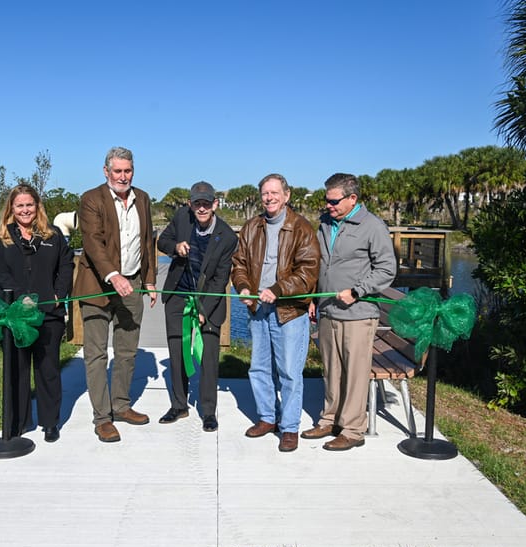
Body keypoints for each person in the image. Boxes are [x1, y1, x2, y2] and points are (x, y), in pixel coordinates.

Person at [303, 173, 396, 451]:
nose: (328, 205)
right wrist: (311, 298)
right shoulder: (325, 223)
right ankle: (330, 419)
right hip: (328, 311)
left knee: (355, 373)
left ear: (352, 198)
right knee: (331, 371)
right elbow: (320, 264)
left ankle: (353, 429)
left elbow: (387, 269)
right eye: (326, 200)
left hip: (358, 313)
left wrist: (357, 291)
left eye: (334, 201)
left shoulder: (372, 226)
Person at [74, 146, 158, 443]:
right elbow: (93, 243)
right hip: (97, 286)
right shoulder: (91, 199)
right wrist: (114, 275)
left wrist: (148, 279)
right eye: (118, 171)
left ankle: (121, 405)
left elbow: (148, 241)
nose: (123, 176)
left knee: (127, 350)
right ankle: (102, 418)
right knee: (96, 355)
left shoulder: (143, 199)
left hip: (132, 284)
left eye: (128, 171)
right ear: (106, 171)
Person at [230, 174, 319, 452]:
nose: (269, 198)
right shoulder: (251, 227)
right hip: (258, 309)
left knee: (290, 372)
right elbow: (239, 263)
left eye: (274, 193)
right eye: (265, 193)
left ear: (287, 195)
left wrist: (278, 289)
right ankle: (267, 418)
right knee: (258, 367)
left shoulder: (302, 228)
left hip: (290, 311)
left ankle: (289, 426)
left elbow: (308, 273)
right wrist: (243, 288)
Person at [0, 184, 75, 443]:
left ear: (37, 206)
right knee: (17, 370)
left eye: (30, 205)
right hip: (16, 317)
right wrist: (19, 297)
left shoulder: (54, 236)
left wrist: (60, 294)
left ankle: (50, 423)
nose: (25, 210)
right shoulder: (0, 239)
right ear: (11, 209)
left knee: (48, 369)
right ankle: (18, 422)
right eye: (20, 206)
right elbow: (0, 272)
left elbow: (66, 265)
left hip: (49, 315)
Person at [157, 181, 237, 432]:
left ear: (214, 204)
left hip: (208, 301)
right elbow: (162, 241)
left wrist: (204, 311)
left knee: (208, 357)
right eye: (196, 203)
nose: (201, 208)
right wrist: (175, 247)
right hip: (178, 295)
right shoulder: (182, 217)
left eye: (206, 203)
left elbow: (221, 279)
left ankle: (209, 411)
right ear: (190, 205)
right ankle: (179, 405)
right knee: (178, 352)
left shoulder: (227, 236)